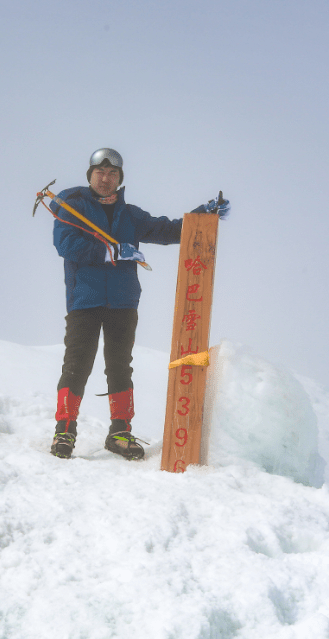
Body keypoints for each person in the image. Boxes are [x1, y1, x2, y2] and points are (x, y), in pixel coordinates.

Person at [48, 148, 230, 460]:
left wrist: (203, 215)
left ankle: (120, 432)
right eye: (100, 173)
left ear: (119, 179)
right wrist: (113, 253)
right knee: (77, 363)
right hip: (85, 299)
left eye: (113, 174)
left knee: (120, 365)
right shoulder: (71, 206)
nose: (106, 179)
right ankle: (64, 431)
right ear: (90, 176)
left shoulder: (130, 215)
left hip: (123, 301)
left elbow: (169, 230)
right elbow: (66, 243)